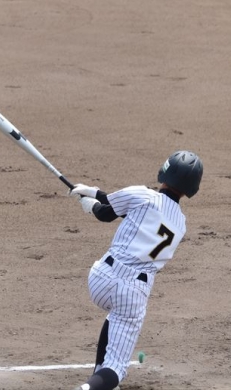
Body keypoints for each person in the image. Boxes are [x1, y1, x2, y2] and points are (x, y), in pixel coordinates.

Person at [69, 150, 203, 390]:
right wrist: (94, 194)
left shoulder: (143, 194)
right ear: (191, 188)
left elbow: (106, 213)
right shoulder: (180, 224)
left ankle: (99, 378)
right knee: (116, 368)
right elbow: (139, 216)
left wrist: (91, 202)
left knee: (114, 317)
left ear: (165, 171)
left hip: (100, 278)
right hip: (132, 292)